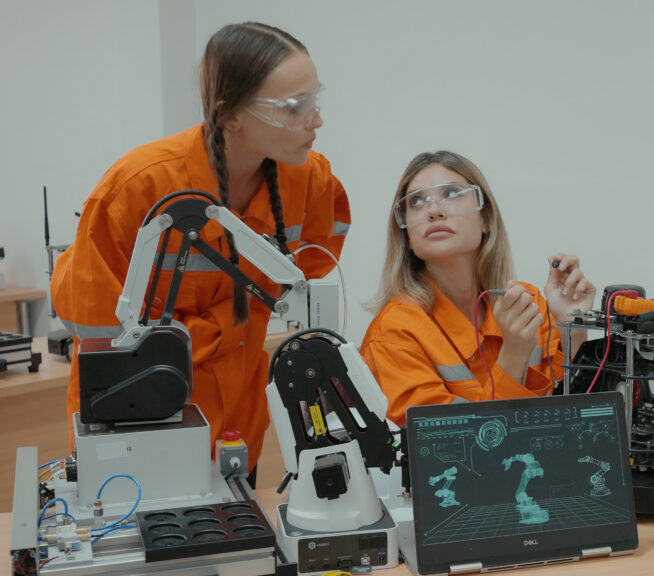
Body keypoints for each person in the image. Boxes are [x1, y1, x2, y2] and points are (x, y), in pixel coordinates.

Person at [50, 22, 349, 480]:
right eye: (294, 107)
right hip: (137, 433)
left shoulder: (310, 181)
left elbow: (306, 280)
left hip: (238, 435)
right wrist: (220, 329)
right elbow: (94, 328)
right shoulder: (138, 189)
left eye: (314, 100)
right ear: (230, 116)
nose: (316, 120)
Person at [360, 151, 596, 426]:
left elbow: (570, 419)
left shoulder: (527, 304)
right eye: (417, 202)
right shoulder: (393, 333)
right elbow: (458, 452)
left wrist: (573, 329)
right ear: (408, 237)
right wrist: (514, 353)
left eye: (451, 194)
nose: (434, 210)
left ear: (485, 219)